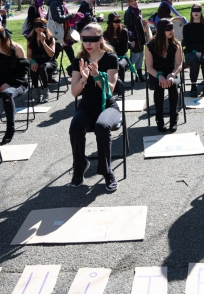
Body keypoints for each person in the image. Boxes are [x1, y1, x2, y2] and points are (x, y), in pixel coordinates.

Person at [69, 23, 120, 191]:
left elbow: (110, 90)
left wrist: (97, 75)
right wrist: (83, 80)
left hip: (108, 107)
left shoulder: (111, 58)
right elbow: (74, 93)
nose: (88, 44)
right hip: (87, 107)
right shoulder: (79, 60)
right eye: (85, 39)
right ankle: (80, 167)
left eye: (92, 39)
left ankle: (107, 171)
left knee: (102, 126)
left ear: (101, 40)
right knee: (75, 127)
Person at [0, 23, 29, 144]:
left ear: (2, 36)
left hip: (17, 84)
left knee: (7, 95)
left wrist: (9, 83)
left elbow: (23, 71)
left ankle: (10, 128)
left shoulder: (16, 49)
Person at [145, 19, 183, 133]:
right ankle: (159, 118)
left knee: (172, 85)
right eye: (168, 29)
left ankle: (173, 118)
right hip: (156, 73)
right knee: (159, 85)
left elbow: (179, 64)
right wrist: (159, 76)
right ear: (161, 31)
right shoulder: (150, 46)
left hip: (172, 72)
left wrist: (172, 74)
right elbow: (149, 67)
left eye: (172, 28)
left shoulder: (176, 44)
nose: (171, 31)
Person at [182, 4, 204, 97]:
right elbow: (186, 43)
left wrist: (201, 52)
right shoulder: (187, 27)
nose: (196, 13)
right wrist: (195, 52)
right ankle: (193, 86)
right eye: (194, 11)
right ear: (191, 12)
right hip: (190, 52)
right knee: (194, 60)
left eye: (198, 10)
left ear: (201, 12)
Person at [27, 17, 57, 103]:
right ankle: (36, 91)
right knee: (34, 67)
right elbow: (29, 55)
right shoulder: (30, 39)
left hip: (49, 62)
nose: (38, 28)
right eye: (36, 26)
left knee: (42, 67)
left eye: (41, 26)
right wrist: (32, 61)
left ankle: (45, 91)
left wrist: (43, 42)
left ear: (45, 27)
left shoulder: (50, 38)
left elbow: (51, 54)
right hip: (37, 61)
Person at [48, 0, 77, 71]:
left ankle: (76, 69)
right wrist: (70, 15)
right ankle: (47, 71)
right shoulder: (54, 3)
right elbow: (59, 19)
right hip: (57, 34)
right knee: (56, 54)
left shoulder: (58, 2)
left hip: (61, 33)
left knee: (64, 52)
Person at [124, 0, 148, 82]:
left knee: (140, 56)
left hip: (140, 38)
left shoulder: (138, 10)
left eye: (135, 0)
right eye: (132, 1)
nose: (134, 2)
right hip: (135, 38)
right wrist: (132, 39)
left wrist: (143, 22)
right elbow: (128, 27)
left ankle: (139, 75)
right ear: (129, 2)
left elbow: (138, 23)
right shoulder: (129, 12)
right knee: (135, 56)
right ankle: (122, 68)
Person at [103, 12, 130, 84]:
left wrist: (117, 57)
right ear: (110, 21)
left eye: (119, 20)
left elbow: (125, 48)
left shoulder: (124, 32)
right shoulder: (105, 34)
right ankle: (109, 86)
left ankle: (121, 87)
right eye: (115, 21)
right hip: (110, 56)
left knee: (120, 65)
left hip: (122, 56)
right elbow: (105, 48)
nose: (118, 23)